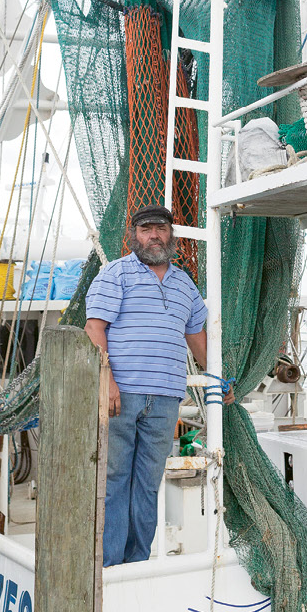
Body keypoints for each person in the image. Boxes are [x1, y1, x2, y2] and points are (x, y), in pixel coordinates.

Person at [84, 205, 208, 566]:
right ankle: (108, 566)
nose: (154, 235)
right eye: (145, 229)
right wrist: (107, 382)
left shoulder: (185, 284)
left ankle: (136, 563)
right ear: (133, 236)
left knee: (148, 485)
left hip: (167, 399)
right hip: (122, 394)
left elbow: (197, 338)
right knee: (114, 480)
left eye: (161, 229)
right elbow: (95, 330)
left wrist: (219, 377)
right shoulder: (115, 274)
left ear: (172, 235)